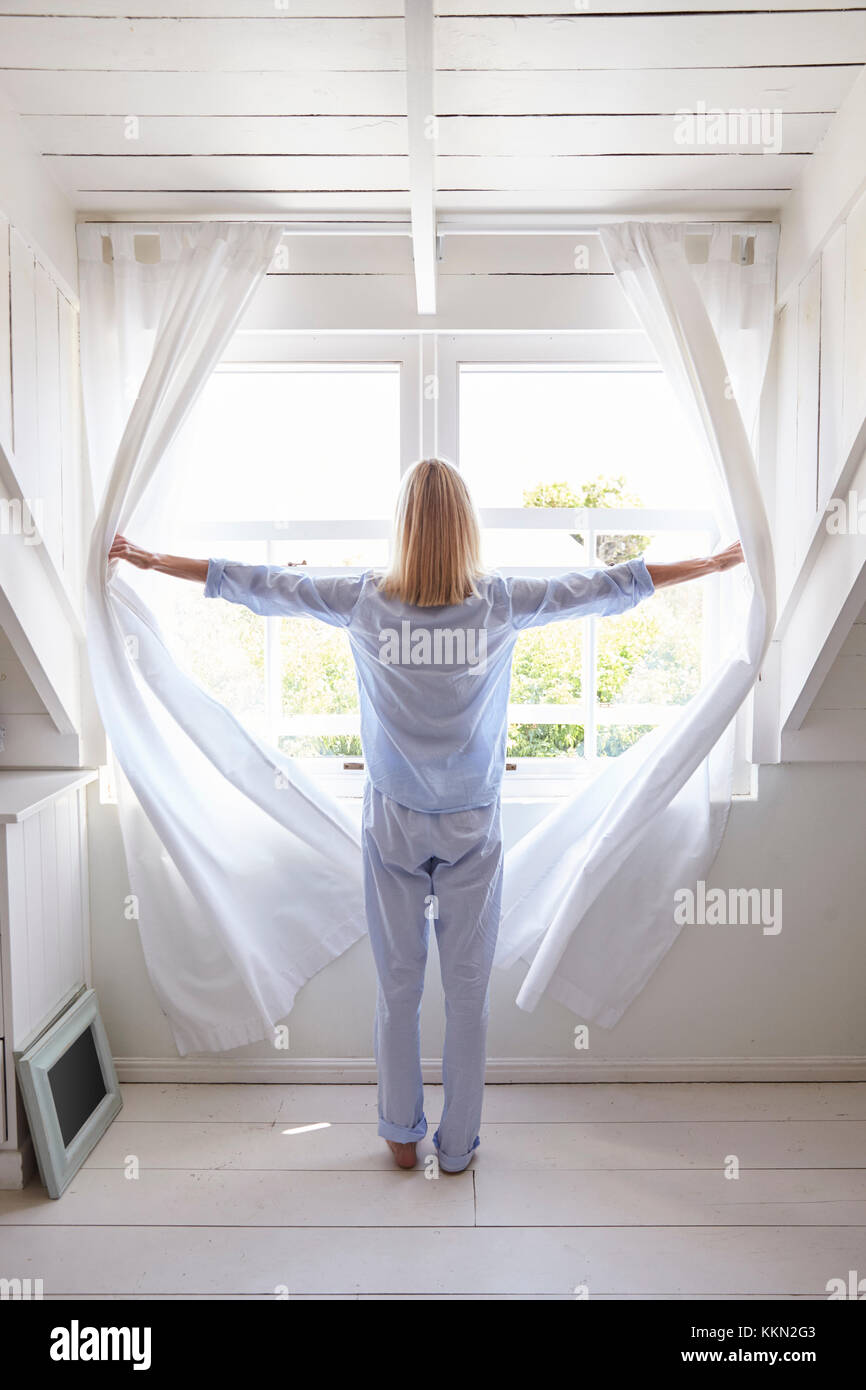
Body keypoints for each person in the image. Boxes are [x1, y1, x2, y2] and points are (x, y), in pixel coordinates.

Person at [110, 457, 743, 1173]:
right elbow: (606, 590)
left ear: (404, 529)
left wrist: (151, 559)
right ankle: (458, 1147)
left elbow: (258, 588)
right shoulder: (499, 602)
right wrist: (715, 563)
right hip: (472, 825)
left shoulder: (363, 601)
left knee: (398, 987)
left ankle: (400, 1135)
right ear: (466, 529)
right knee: (467, 995)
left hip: (393, 826)